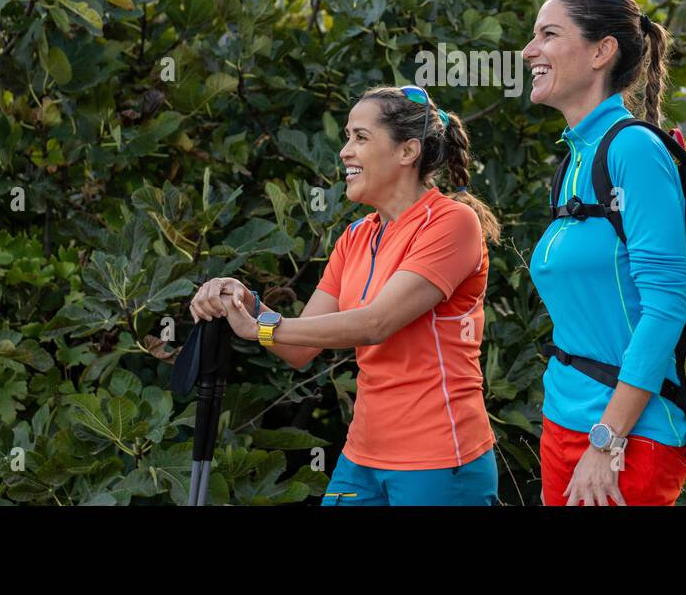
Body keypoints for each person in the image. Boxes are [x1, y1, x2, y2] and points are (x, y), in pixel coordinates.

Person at [188, 85, 500, 505]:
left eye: (360, 138)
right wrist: (246, 304)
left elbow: (376, 323)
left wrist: (261, 327)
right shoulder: (355, 237)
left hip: (440, 459)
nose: (345, 152)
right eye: (347, 137)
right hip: (363, 456)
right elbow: (301, 348)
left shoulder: (452, 223)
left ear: (407, 152)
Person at [522, 0, 686, 506]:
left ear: (601, 51)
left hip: (628, 436)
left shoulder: (634, 150)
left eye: (549, 35)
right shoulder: (575, 157)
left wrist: (607, 438)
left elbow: (665, 307)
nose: (530, 51)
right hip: (564, 422)